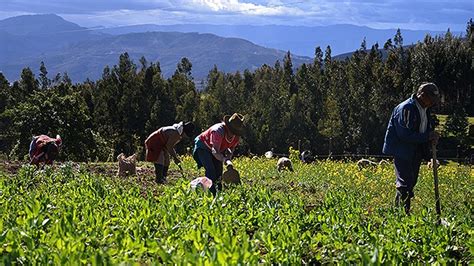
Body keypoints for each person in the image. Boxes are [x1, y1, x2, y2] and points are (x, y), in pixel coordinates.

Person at [382, 82, 441, 214]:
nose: (433, 102)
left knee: (410, 182)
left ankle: (403, 212)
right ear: (421, 95)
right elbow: (404, 135)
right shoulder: (406, 108)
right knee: (405, 183)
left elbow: (424, 133)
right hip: (402, 151)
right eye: (431, 99)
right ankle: (401, 214)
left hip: (415, 152)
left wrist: (429, 156)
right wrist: (428, 136)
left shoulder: (425, 110)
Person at [193, 113, 244, 195]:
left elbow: (231, 149)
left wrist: (228, 157)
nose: (233, 134)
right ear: (228, 127)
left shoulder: (236, 136)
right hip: (203, 146)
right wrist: (224, 159)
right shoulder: (218, 131)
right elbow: (215, 151)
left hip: (219, 150)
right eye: (232, 131)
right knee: (211, 170)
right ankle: (211, 194)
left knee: (219, 172)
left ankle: (219, 193)